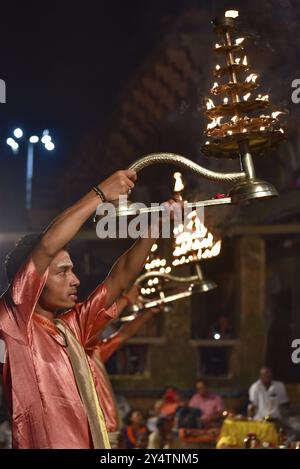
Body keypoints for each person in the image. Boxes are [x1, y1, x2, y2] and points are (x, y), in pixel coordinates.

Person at [0, 169, 180, 449]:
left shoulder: (70, 329)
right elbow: (47, 246)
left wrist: (155, 225)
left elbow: (119, 279)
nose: (76, 280)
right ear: (33, 281)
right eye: (63, 272)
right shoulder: (16, 322)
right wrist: (100, 194)